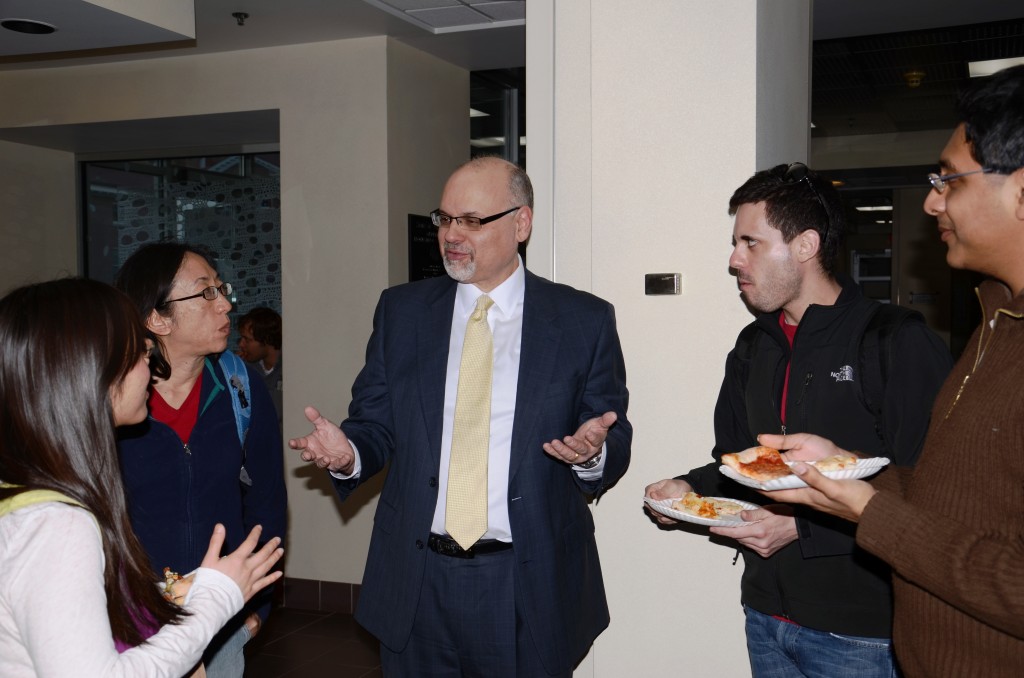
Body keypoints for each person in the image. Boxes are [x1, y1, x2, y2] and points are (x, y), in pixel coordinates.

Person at [289, 156, 632, 677]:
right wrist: (350, 452)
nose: (452, 234)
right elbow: (375, 421)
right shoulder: (402, 312)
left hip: (526, 581)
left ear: (521, 223)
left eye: (472, 220)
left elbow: (612, 431)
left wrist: (593, 453)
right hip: (417, 579)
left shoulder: (582, 320)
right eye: (445, 218)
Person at [755, 64, 1024, 678]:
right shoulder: (995, 327)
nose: (932, 200)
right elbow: (953, 502)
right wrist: (837, 471)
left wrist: (868, 512)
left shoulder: (898, 337)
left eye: (949, 180)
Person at [644, 163, 951, 677]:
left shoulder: (896, 340)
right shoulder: (751, 346)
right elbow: (742, 465)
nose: (733, 259)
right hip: (765, 616)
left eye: (750, 242)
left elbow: (934, 490)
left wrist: (802, 529)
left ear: (806, 245)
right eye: (735, 243)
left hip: (862, 631)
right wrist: (686, 490)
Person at [0, 277, 284, 678]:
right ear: (91, 372)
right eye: (139, 352)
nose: (150, 366)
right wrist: (215, 598)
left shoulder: (26, 493)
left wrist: (184, 590)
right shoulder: (58, 524)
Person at [114, 243, 288, 678]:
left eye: (221, 288)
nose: (225, 303)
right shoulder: (114, 399)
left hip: (222, 615)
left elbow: (267, 500)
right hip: (134, 622)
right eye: (205, 292)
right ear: (157, 319)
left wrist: (257, 606)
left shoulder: (239, 384)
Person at [237, 307, 283, 427]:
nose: (241, 344)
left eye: (247, 340)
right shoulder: (247, 368)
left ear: (266, 340)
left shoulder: (290, 368)